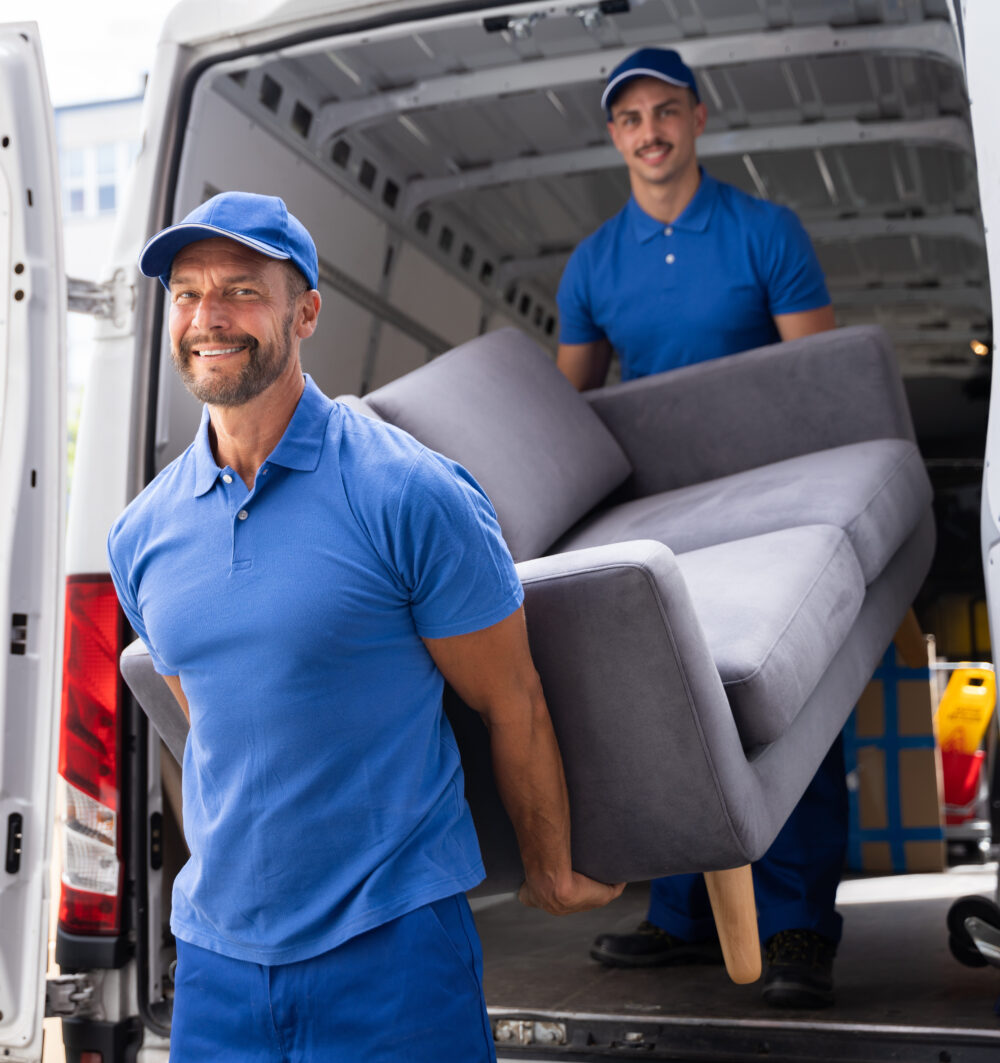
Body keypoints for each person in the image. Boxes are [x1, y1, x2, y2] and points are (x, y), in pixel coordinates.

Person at [108, 191, 623, 1062]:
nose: (209, 317)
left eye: (240, 290)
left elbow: (513, 698)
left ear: (305, 311)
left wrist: (551, 866)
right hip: (216, 964)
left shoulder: (409, 492)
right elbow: (214, 725)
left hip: (393, 949)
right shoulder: (143, 535)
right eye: (188, 293)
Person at [555, 49, 844, 1010]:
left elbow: (815, 383)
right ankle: (683, 921)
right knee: (667, 707)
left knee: (781, 698)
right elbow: (566, 406)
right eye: (630, 117)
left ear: (698, 119)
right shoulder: (594, 262)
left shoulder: (766, 231)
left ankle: (798, 921)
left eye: (665, 110)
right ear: (614, 136)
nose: (650, 130)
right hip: (659, 515)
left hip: (771, 509)